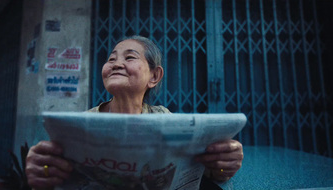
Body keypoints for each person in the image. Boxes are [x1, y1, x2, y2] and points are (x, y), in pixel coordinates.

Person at [25, 35, 243, 189]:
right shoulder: (82, 124)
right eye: (111, 59)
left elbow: (206, 172)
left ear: (154, 76)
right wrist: (42, 173)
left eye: (129, 58)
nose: (116, 63)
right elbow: (52, 173)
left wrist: (223, 165)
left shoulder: (163, 117)